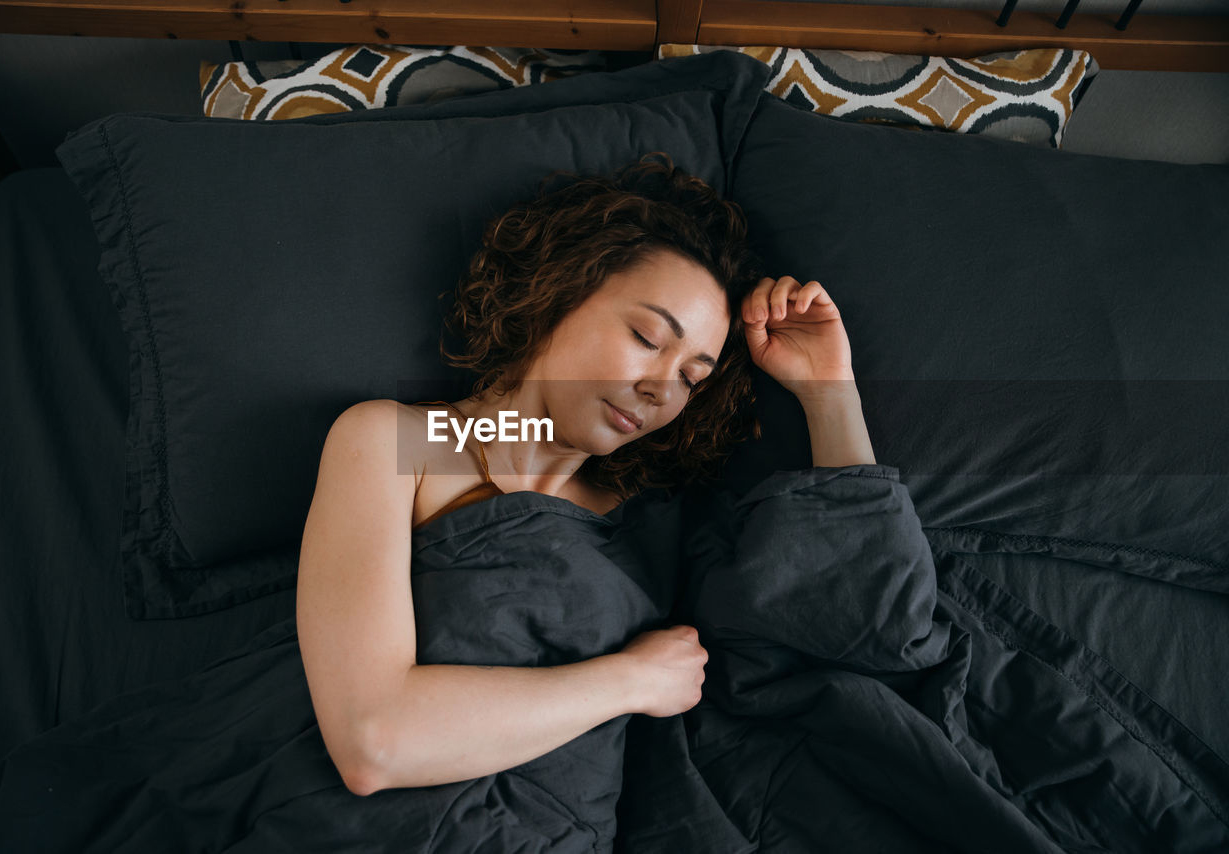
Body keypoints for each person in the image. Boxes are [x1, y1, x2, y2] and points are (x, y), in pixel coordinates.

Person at [295, 151, 876, 797]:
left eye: (691, 377)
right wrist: (634, 680)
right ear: (558, 293)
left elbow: (860, 623)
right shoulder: (395, 442)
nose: (662, 387)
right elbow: (374, 743)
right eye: (648, 337)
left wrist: (830, 394)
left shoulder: (651, 516)